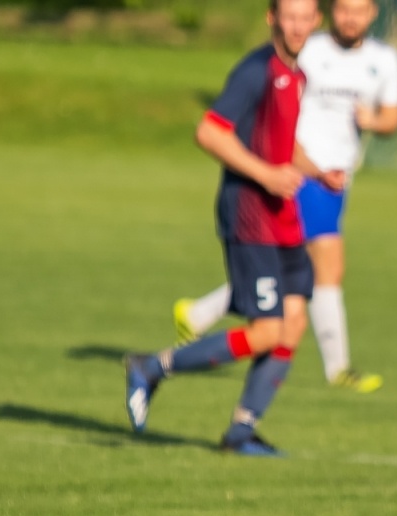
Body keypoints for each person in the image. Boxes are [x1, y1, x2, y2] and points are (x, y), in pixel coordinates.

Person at [172, 0, 397, 393]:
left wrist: (373, 121)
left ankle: (199, 313)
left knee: (292, 272)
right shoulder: (305, 49)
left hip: (333, 176)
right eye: (344, 9)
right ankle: (338, 368)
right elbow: (266, 107)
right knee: (326, 266)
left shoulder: (384, 59)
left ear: (373, 13)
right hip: (293, 175)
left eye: (359, 10)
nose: (350, 17)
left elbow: (392, 118)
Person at [124, 0, 321, 456]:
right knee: (268, 331)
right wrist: (267, 175)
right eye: (288, 16)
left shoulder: (297, 76)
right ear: (272, 19)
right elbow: (210, 132)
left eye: (305, 17)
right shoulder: (256, 70)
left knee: (292, 323)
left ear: (316, 22)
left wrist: (317, 170)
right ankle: (153, 366)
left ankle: (241, 432)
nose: (296, 26)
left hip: (282, 215)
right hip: (250, 215)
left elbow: (278, 141)